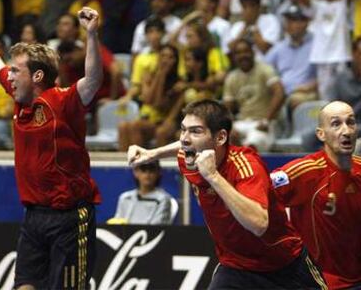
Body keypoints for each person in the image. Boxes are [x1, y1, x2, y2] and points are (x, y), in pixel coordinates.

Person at [0, 0, 102, 290]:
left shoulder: (63, 101)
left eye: (16, 70)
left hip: (70, 219)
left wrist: (92, 34)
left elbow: (94, 79)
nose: (9, 75)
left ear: (36, 75)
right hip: (34, 216)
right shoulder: (18, 95)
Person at [128, 99, 326, 289]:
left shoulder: (246, 166)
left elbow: (259, 224)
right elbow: (183, 147)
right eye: (183, 129)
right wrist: (152, 153)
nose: (184, 138)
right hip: (235, 267)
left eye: (196, 131)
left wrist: (213, 176)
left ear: (220, 138)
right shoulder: (191, 156)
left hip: (284, 266)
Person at [270, 101, 361, 289]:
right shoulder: (306, 171)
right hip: (319, 282)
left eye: (350, 122)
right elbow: (260, 190)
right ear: (321, 134)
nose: (346, 131)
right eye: (336, 124)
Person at [223, 39, 285, 152]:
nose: (243, 55)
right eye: (238, 53)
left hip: (263, 123)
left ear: (253, 52)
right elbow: (227, 108)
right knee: (224, 140)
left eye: (246, 51)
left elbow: (280, 92)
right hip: (242, 122)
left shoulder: (265, 69)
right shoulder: (232, 77)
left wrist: (267, 120)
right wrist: (230, 127)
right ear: (234, 57)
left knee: (252, 144)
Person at [109, 160, 173, 225]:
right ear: (135, 172)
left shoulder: (163, 199)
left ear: (158, 172)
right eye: (143, 169)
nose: (147, 173)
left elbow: (157, 227)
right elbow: (117, 224)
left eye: (152, 169)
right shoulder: (125, 197)